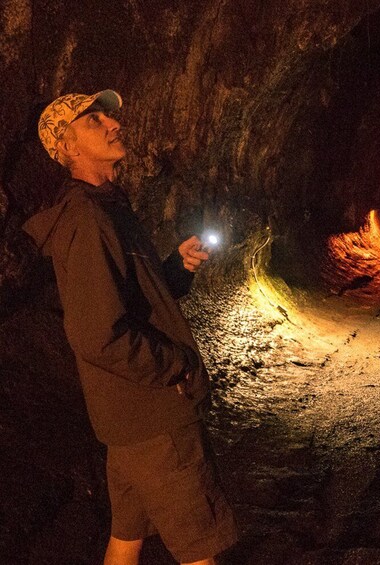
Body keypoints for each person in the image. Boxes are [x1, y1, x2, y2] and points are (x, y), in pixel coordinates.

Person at [24, 90, 238, 565]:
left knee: (126, 540)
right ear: (69, 146)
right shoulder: (88, 219)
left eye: (109, 116)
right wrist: (177, 367)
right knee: (202, 550)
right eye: (94, 120)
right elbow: (98, 333)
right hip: (154, 417)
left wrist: (174, 270)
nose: (114, 124)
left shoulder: (109, 207)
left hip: (128, 419)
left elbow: (132, 300)